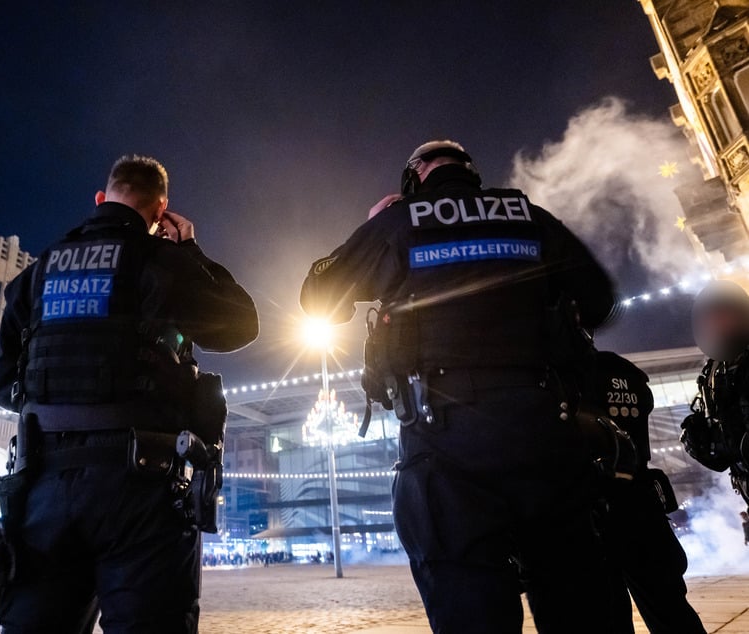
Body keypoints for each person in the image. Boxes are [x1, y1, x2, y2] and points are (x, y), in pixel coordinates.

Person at [300, 140, 616, 633]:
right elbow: (600, 300)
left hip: (446, 440)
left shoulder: (400, 222)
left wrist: (374, 229)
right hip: (544, 430)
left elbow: (318, 297)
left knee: (471, 609)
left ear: (415, 177)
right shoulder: (527, 214)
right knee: (577, 602)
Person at [0, 154, 258, 633]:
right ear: (160, 212)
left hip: (43, 487)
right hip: (141, 490)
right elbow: (241, 325)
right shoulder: (163, 262)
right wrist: (190, 249)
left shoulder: (40, 269)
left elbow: (5, 386)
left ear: (99, 198)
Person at [578, 350, 705, 634]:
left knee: (608, 617)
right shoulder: (623, 371)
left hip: (587, 508)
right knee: (670, 609)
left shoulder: (557, 373)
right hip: (638, 499)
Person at [684, 280, 749, 509]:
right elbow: (724, 453)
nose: (718, 323)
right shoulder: (712, 370)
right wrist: (701, 439)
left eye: (725, 315)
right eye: (711, 318)